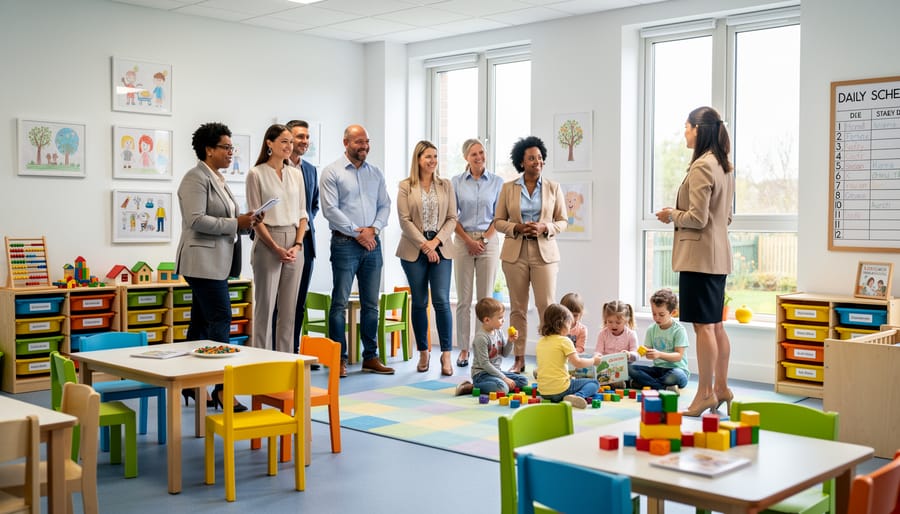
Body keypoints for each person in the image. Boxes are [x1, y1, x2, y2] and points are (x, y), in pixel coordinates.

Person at [655, 106, 735, 416]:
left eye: (686, 128)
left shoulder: (703, 165)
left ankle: (704, 395)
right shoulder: (725, 165)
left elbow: (698, 218)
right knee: (715, 326)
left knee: (704, 328)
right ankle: (721, 388)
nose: (684, 133)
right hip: (718, 256)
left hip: (699, 258)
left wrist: (671, 215)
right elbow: (724, 216)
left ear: (698, 130)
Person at [175, 122, 258, 411]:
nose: (230, 152)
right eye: (226, 147)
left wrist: (247, 223)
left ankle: (190, 386)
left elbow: (228, 221)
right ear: (209, 150)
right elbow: (195, 219)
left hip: (216, 263)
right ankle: (223, 388)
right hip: (201, 262)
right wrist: (237, 223)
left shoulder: (217, 179)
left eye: (231, 147)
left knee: (199, 325)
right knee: (221, 318)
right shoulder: (194, 178)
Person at [320, 124, 393, 377]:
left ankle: (370, 357)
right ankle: (338, 359)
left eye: (366, 141)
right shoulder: (332, 172)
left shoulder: (376, 173)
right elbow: (330, 210)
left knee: (371, 304)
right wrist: (357, 232)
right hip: (344, 244)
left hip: (373, 243)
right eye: (358, 142)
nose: (364, 146)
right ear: (346, 143)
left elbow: (385, 205)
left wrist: (373, 229)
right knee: (339, 303)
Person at [494, 136, 567, 373]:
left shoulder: (554, 188)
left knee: (547, 307)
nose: (537, 161)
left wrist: (545, 228)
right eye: (531, 158)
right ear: (522, 162)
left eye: (539, 157)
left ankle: (549, 359)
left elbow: (563, 221)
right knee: (517, 308)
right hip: (515, 253)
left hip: (545, 253)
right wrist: (516, 227)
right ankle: (518, 359)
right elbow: (498, 222)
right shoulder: (507, 188)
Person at [246, 124, 308, 354]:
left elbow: (303, 215)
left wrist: (297, 245)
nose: (289, 146)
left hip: (294, 241)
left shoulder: (296, 174)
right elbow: (255, 217)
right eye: (284, 141)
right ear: (269, 143)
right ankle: (261, 362)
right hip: (267, 240)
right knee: (265, 307)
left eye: (291, 141)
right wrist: (275, 247)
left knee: (289, 309)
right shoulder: (256, 173)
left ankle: (285, 362)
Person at [397, 140, 458, 376]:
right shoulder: (405, 186)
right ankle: (423, 351)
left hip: (441, 248)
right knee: (420, 302)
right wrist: (425, 245)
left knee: (441, 300)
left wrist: (435, 243)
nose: (432, 161)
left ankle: (445, 354)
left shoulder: (446, 185)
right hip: (413, 250)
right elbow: (404, 220)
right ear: (418, 160)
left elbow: (452, 218)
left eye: (435, 156)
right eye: (427, 157)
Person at [270, 120, 320, 367]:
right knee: (276, 303)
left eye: (306, 137)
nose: (304, 141)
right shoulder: (272, 168)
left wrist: (301, 231)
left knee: (297, 303)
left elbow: (313, 205)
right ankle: (274, 353)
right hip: (278, 242)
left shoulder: (309, 169)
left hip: (305, 243)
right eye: (299, 136)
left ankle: (293, 352)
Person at [450, 139, 504, 368]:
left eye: (481, 152)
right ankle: (463, 349)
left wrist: (481, 240)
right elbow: (452, 216)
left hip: (488, 240)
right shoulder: (455, 182)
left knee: (485, 301)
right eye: (474, 154)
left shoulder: (497, 182)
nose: (479, 156)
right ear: (466, 157)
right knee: (464, 299)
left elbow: (499, 217)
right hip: (462, 240)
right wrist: (468, 241)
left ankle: (485, 349)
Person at [454, 297, 527, 396]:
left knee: (523, 380)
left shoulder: (498, 331)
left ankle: (496, 383)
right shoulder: (481, 338)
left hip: (496, 373)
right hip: (482, 375)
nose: (503, 320)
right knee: (503, 389)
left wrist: (510, 341)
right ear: (487, 320)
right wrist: (504, 378)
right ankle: (473, 386)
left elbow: (505, 354)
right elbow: (485, 364)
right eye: (500, 318)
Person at [535, 304, 601, 409]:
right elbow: (577, 363)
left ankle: (566, 395)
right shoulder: (565, 341)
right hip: (561, 390)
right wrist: (593, 361)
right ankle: (577, 396)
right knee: (594, 383)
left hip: (543, 392)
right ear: (561, 323)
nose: (570, 328)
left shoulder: (541, 342)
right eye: (569, 324)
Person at [628, 289, 690, 392]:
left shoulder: (679, 330)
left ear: (673, 312)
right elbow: (644, 350)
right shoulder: (651, 329)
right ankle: (663, 387)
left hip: (677, 370)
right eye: (654, 314)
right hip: (657, 370)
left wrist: (659, 355)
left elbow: (678, 356)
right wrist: (633, 354)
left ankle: (644, 383)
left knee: (675, 376)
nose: (657, 318)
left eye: (661, 315)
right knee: (630, 369)